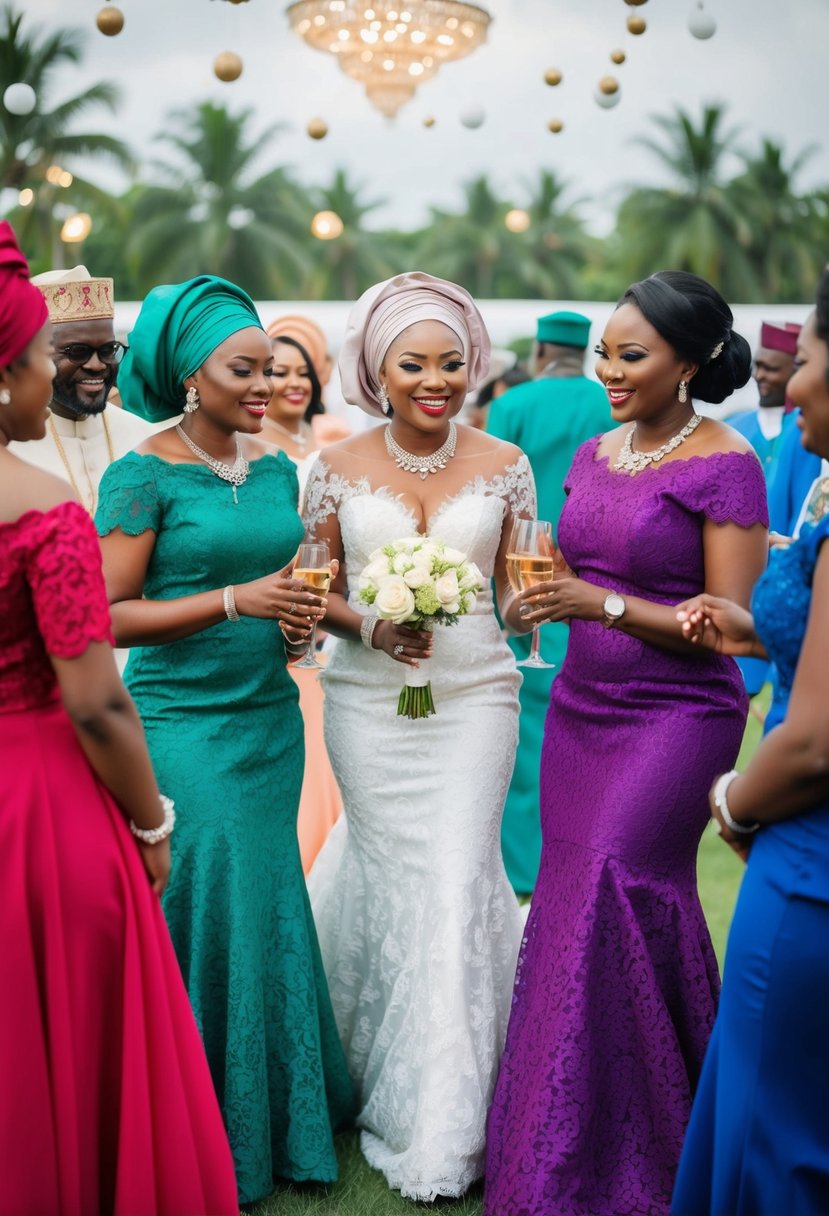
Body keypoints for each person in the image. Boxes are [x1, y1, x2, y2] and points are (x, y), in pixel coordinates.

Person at [485, 271, 769, 1216]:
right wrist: (547, 582)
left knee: (619, 883)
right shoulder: (594, 452)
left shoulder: (725, 463)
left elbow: (733, 626)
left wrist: (597, 602)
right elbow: (572, 560)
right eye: (605, 351)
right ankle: (553, 1151)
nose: (608, 370)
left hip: (676, 718)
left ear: (687, 363)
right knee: (572, 903)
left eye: (631, 355)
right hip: (580, 706)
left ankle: (654, 1151)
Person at [93, 276, 354, 1205]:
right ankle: (186, 1115)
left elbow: (294, 580)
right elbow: (107, 616)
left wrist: (297, 621)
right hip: (183, 726)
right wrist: (233, 600)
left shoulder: (279, 468)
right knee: (204, 904)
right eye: (242, 370)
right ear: (188, 376)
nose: (264, 385)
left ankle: (278, 1111)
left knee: (265, 899)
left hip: (268, 715)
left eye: (271, 369)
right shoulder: (142, 476)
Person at [0, 226, 239, 1214]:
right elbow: (97, 700)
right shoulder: (40, 505)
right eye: (45, 357)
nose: (61, 371)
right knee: (67, 1027)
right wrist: (151, 820)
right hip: (39, 798)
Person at [301, 271, 535, 1201]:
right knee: (387, 872)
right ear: (376, 370)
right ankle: (357, 1067)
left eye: (450, 362)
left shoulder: (507, 460)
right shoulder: (334, 466)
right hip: (366, 703)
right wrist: (371, 626)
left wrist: (532, 600)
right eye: (414, 364)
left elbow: (517, 591)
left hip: (478, 694)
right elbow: (316, 588)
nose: (436, 380)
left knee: (455, 873)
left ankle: (448, 1119)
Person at [671, 266, 829, 1216]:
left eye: (807, 355)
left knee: (777, 1136)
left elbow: (812, 742)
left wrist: (735, 800)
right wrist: (752, 623)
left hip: (809, 862)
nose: (794, 379)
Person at [486, 309, 613, 895]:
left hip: (522, 574)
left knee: (524, 723)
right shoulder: (604, 404)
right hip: (592, 575)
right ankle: (574, 855)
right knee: (580, 727)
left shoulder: (514, 405)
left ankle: (519, 865)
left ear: (540, 349)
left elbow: (494, 490)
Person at [263, 319, 345, 873]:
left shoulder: (333, 437)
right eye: (278, 372)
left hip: (329, 602)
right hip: (273, 603)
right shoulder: (248, 444)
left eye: (303, 373)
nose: (293, 384)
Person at [8, 265, 151, 514]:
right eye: (77, 352)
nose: (97, 365)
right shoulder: (9, 447)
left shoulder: (146, 438)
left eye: (107, 350)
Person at [727, 321, 801, 695]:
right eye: (758, 365)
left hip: (790, 584)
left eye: (772, 368)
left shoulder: (807, 429)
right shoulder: (732, 429)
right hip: (739, 582)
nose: (760, 376)